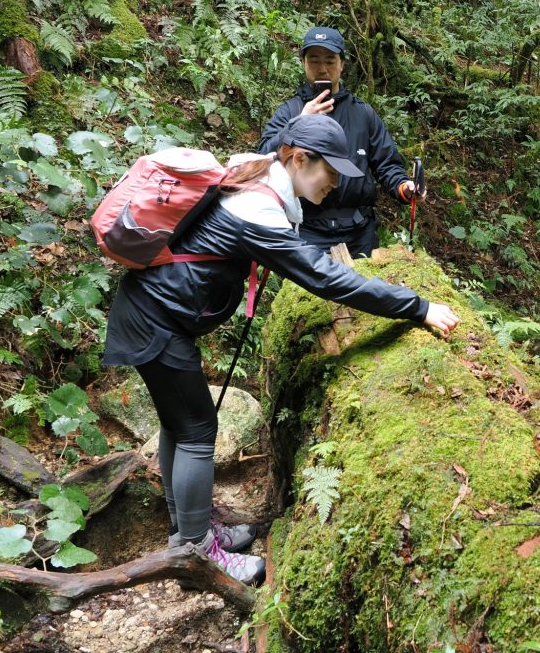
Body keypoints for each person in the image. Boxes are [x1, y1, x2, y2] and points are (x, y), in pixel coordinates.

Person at [102, 114, 460, 585]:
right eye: (328, 172)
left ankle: (188, 528)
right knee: (195, 428)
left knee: (180, 423)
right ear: (298, 158)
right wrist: (417, 307)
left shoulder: (257, 173)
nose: (333, 185)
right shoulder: (259, 211)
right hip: (156, 322)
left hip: (152, 313)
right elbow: (327, 278)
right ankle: (194, 552)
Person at [258, 26, 422, 258]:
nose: (322, 69)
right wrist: (301, 120)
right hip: (306, 230)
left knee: (362, 292)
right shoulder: (290, 111)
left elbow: (387, 164)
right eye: (314, 60)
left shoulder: (362, 113)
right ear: (303, 63)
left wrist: (404, 187)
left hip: (359, 231)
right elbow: (264, 158)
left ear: (342, 65)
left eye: (330, 61)